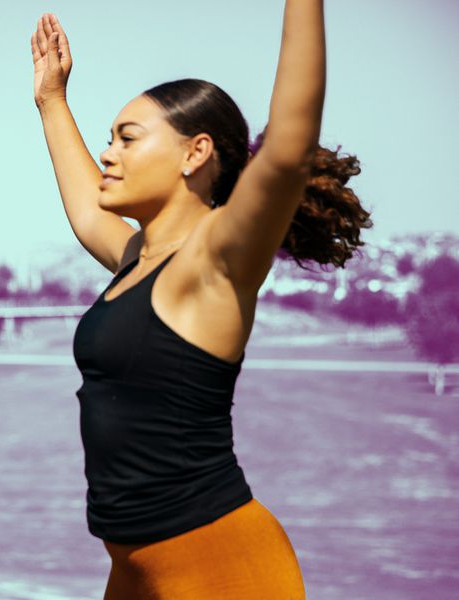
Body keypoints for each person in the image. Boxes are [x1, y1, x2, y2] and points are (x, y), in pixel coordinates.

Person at [31, 2, 370, 598]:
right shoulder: (137, 257)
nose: (108, 154)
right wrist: (52, 101)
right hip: (133, 568)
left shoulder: (217, 260)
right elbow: (86, 211)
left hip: (220, 564)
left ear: (196, 153)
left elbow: (288, 149)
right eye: (109, 140)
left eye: (127, 140)